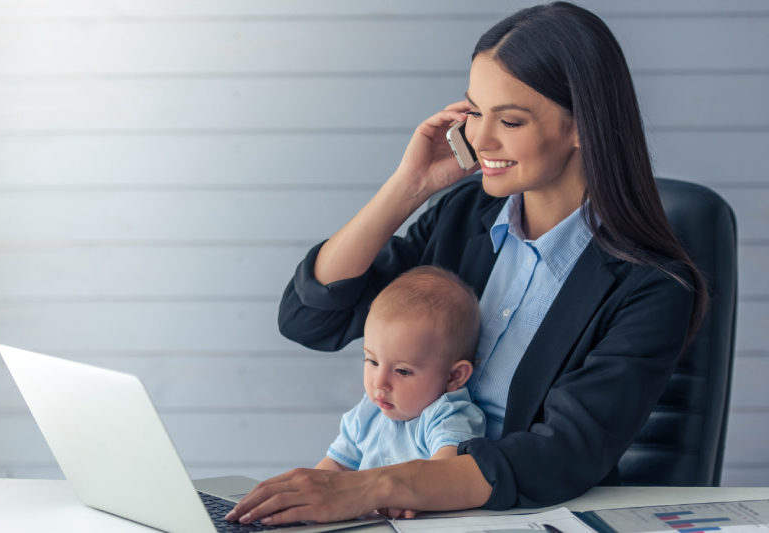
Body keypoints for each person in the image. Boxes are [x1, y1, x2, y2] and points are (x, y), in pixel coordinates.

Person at [226, 1, 708, 526]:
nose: (479, 139)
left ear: (582, 127)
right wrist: (405, 191)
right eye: (475, 111)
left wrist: (366, 487)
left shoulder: (651, 286)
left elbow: (563, 457)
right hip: (396, 509)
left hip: (512, 516)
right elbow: (311, 320)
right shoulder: (465, 215)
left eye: (511, 120)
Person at [317, 266, 486, 483]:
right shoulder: (367, 414)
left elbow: (444, 475)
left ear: (454, 376)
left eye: (402, 371)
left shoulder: (448, 417)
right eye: (372, 361)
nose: (380, 382)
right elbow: (336, 466)